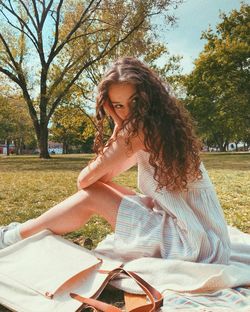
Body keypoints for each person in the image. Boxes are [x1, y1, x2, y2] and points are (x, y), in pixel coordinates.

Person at [0, 57, 231, 265]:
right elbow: (104, 178)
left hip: (193, 245)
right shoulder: (164, 124)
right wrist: (119, 132)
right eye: (118, 106)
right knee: (100, 190)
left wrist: (118, 127)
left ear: (149, 97)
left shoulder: (138, 130)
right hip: (209, 238)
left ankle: (11, 237)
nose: (128, 113)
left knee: (92, 196)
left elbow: (84, 181)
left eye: (134, 102)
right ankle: (21, 232)